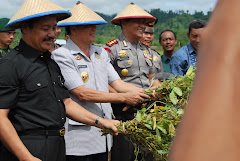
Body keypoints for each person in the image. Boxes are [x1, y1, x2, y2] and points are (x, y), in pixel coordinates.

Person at [0, 1, 119, 161]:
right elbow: (1, 117)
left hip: (58, 146)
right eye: (45, 28)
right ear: (25, 28)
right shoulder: (11, 64)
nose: (52, 34)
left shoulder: (50, 63)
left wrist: (100, 121)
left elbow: (67, 104)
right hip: (29, 147)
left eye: (54, 27)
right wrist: (25, 157)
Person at [52, 2, 149, 161]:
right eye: (89, 25)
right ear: (74, 28)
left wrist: (148, 93)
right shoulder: (62, 55)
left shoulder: (99, 53)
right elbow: (82, 93)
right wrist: (123, 98)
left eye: (95, 25)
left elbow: (118, 84)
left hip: (104, 132)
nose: (94, 29)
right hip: (80, 135)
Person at [169, 0, 240, 161]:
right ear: (188, 36)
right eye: (195, 37)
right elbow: (174, 89)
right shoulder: (180, 57)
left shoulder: (212, 52)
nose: (199, 40)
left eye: (202, 36)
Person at [103, 3, 162, 161]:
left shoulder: (147, 51)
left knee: (147, 155)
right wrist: (121, 97)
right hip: (123, 112)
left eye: (144, 22)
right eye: (138, 22)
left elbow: (152, 80)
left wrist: (159, 91)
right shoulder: (111, 49)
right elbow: (101, 80)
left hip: (147, 113)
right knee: (124, 155)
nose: (143, 26)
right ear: (124, 24)